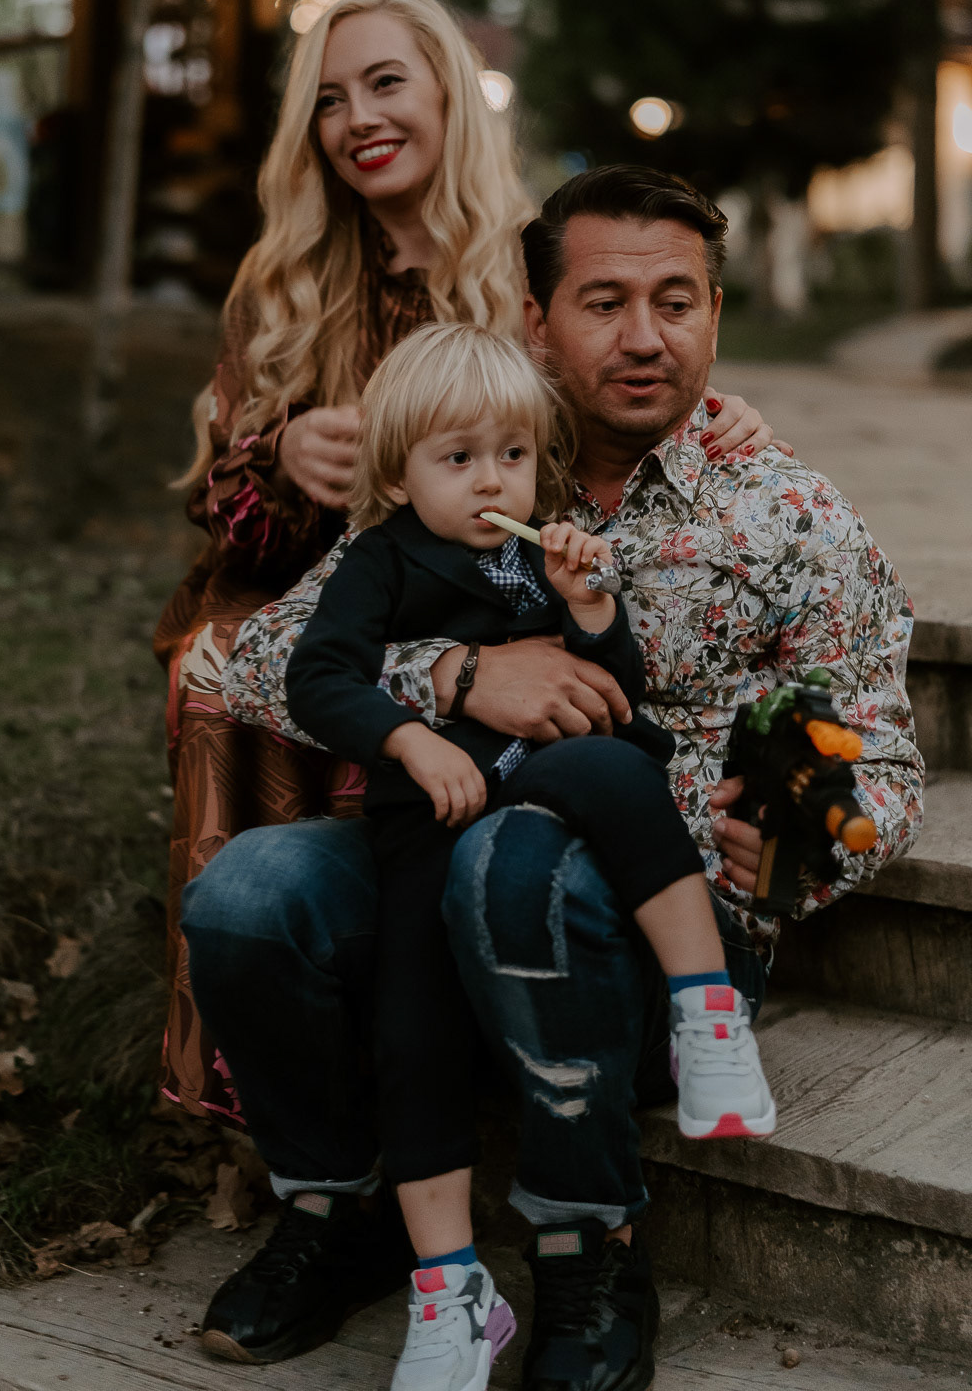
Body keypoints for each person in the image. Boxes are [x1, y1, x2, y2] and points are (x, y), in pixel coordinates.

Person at [182, 165, 923, 1391]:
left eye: (675, 302)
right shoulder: (471, 460)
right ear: (537, 320)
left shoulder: (788, 513)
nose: (644, 338)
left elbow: (881, 751)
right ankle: (340, 1211)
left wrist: (811, 844)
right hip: (433, 864)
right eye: (604, 302)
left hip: (649, 925)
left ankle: (594, 1247)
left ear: (714, 315)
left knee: (517, 863)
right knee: (252, 896)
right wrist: (458, 677)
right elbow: (263, 660)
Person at [154, 0, 772, 1129]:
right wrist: (277, 456)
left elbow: (624, 405)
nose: (358, 117)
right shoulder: (285, 279)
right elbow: (219, 508)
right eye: (329, 100)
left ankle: (480, 1038)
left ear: (449, 91)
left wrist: (714, 419)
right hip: (320, 591)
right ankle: (258, 1075)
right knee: (220, 667)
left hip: (493, 591)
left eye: (386, 82)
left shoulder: (528, 263)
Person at [285, 322, 774, 1391]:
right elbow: (316, 677)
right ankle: (449, 1289)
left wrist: (592, 608)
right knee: (411, 1040)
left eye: (510, 454)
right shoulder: (379, 559)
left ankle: (707, 1011)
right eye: (457, 458)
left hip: (547, 783)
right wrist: (408, 737)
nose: (489, 480)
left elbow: (615, 689)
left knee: (617, 765)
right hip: (431, 818)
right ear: (398, 473)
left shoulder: (544, 550)